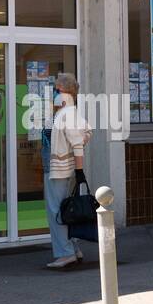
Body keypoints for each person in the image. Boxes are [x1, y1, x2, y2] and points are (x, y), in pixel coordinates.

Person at [44, 73, 91, 270]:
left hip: (60, 171)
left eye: (57, 89)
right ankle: (73, 249)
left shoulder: (67, 114)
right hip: (64, 169)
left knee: (57, 212)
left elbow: (79, 142)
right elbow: (86, 132)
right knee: (66, 210)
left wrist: (79, 171)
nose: (55, 92)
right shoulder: (69, 112)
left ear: (65, 92)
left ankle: (65, 253)